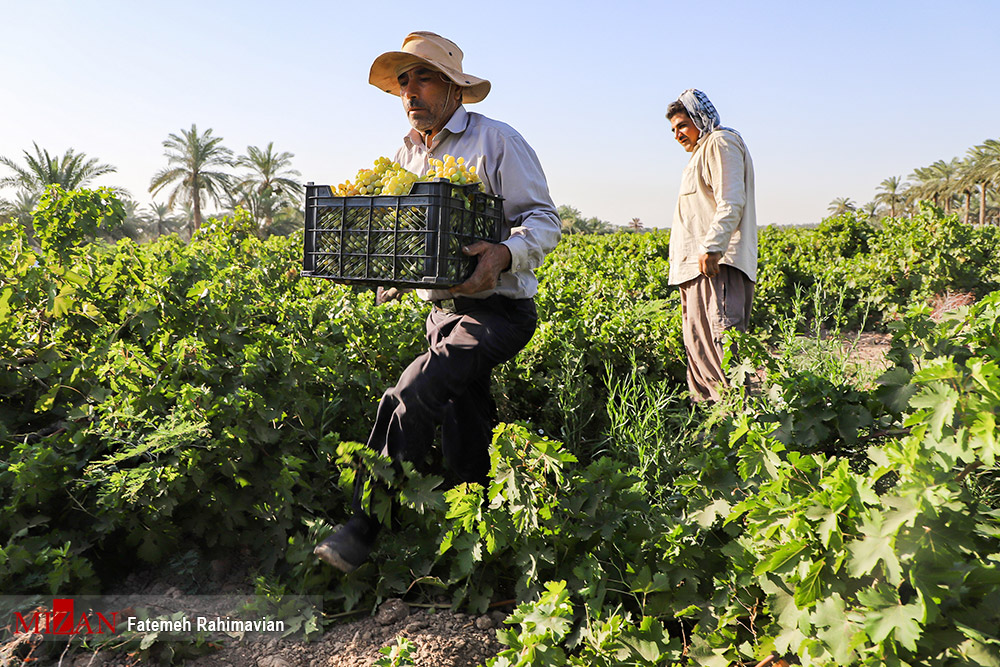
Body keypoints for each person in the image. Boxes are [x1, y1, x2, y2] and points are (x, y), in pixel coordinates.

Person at [314, 31, 562, 573]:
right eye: (404, 81)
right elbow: (411, 235)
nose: (410, 91)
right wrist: (387, 271)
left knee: (417, 387)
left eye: (423, 77)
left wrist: (502, 252)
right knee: (462, 413)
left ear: (453, 88)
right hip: (442, 312)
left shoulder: (497, 141)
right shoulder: (404, 153)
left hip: (498, 311)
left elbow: (544, 221)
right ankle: (472, 534)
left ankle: (363, 525)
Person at [666, 89, 757, 403]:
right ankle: (713, 433)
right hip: (696, 269)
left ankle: (741, 430)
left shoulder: (720, 142)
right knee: (700, 352)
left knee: (723, 354)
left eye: (682, 125)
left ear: (699, 119)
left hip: (716, 266)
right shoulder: (700, 153)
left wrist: (714, 247)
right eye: (674, 129)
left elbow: (731, 201)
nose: (677, 134)